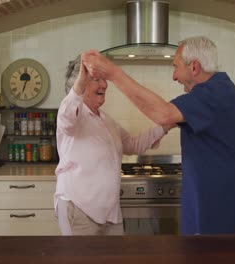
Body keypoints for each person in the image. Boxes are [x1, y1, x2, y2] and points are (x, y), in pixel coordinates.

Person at [82, 36, 235, 235]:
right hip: (210, 198)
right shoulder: (216, 92)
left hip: (216, 202)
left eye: (176, 66)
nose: (174, 76)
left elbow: (163, 114)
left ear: (194, 67)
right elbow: (167, 118)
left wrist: (113, 73)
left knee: (213, 255)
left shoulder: (214, 93)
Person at [54, 55, 171, 235]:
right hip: (79, 209)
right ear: (80, 83)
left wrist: (167, 125)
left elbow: (133, 144)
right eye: (96, 79)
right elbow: (66, 115)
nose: (105, 85)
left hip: (110, 214)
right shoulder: (72, 117)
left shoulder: (106, 120)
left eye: (104, 79)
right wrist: (80, 82)